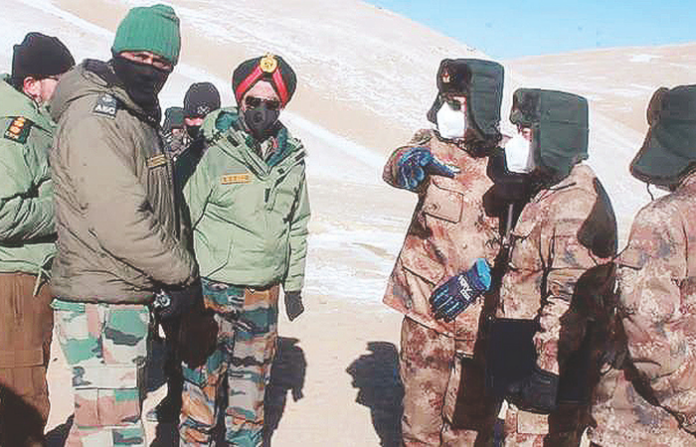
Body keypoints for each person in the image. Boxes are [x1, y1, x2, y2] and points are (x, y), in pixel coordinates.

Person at [48, 5, 200, 445]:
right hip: (101, 300)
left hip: (121, 295)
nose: (150, 69)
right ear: (118, 52)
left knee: (98, 428)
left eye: (162, 62)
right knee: (112, 434)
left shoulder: (134, 115)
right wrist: (181, 273)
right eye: (139, 56)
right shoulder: (99, 119)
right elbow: (122, 221)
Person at [178, 53, 310, 447]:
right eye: (253, 101)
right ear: (240, 101)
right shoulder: (213, 152)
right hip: (211, 292)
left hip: (262, 296)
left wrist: (294, 285)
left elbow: (297, 223)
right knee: (200, 394)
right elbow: (184, 219)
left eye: (271, 104)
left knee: (249, 403)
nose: (261, 111)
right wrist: (181, 287)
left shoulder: (292, 159)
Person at [382, 58, 505, 445]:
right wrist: (406, 162)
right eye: (443, 100)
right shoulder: (431, 145)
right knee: (418, 427)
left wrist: (487, 274)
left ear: (480, 106)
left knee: (468, 431)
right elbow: (394, 165)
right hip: (426, 315)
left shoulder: (511, 163)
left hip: (480, 324)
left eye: (456, 103)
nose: (445, 111)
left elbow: (531, 238)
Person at [488, 88, 617, 446]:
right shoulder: (550, 187)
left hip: (553, 373)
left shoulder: (575, 204)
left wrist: (546, 373)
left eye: (526, 133)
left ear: (554, 137)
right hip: (528, 359)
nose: (517, 142)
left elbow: (569, 302)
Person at [589, 85, 696, 446]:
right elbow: (650, 326)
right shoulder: (674, 218)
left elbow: (648, 330)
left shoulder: (664, 218)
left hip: (645, 424)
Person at [0, 32, 73, 447]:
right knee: (23, 402)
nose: (66, 89)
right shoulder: (16, 131)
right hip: (15, 283)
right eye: (59, 80)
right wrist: (63, 210)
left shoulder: (38, 123)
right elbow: (2, 213)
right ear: (31, 84)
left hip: (30, 281)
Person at [148, 82, 221, 423]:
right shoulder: (173, 152)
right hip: (179, 261)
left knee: (213, 344)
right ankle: (175, 396)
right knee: (176, 339)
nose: (195, 124)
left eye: (203, 117)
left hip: (216, 264)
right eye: (191, 117)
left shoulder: (228, 153)